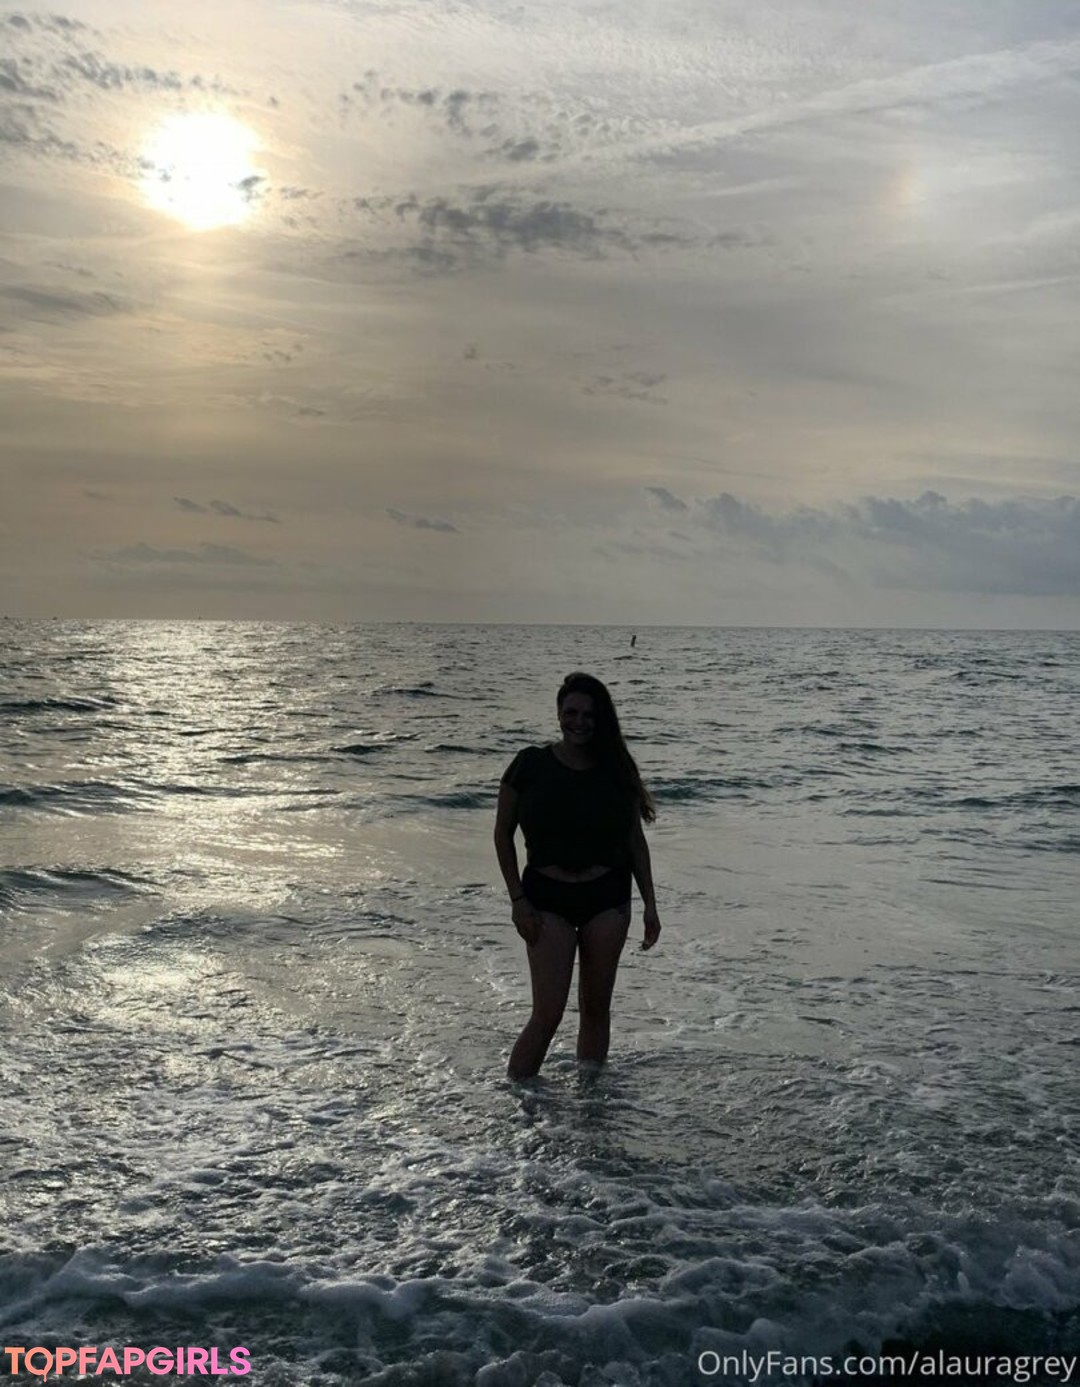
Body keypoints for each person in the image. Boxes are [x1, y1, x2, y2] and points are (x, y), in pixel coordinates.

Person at [494, 671, 661, 1080]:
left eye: (589, 714)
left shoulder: (616, 770)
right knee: (547, 1014)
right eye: (571, 712)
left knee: (596, 1008)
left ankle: (591, 1100)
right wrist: (517, 900)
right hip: (545, 899)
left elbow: (635, 841)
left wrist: (650, 906)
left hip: (607, 896)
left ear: (601, 719)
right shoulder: (529, 765)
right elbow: (502, 834)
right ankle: (519, 1101)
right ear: (558, 714)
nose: (579, 721)